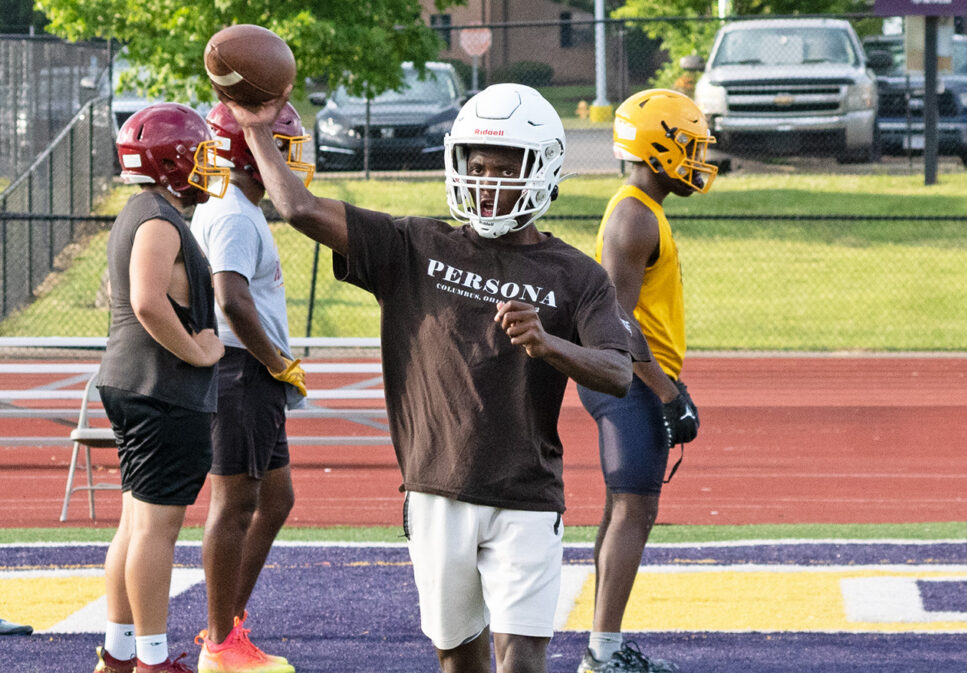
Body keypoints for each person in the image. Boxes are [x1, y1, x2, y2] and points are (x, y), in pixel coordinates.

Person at [218, 82, 647, 673]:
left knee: (523, 656)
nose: (488, 185)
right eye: (478, 167)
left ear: (542, 170)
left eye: (505, 169)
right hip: (435, 487)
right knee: (458, 657)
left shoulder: (577, 274)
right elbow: (300, 209)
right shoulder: (414, 244)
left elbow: (618, 371)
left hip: (526, 492)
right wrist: (255, 126)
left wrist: (549, 345)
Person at [576, 89, 714, 673]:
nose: (698, 157)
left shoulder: (643, 209)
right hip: (628, 378)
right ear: (656, 146)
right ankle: (603, 654)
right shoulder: (634, 213)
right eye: (688, 145)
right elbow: (618, 319)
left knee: (622, 509)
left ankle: (602, 647)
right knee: (635, 510)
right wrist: (667, 392)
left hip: (630, 376)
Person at [93, 102, 228, 673]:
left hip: (139, 384)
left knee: (135, 523)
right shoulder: (156, 218)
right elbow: (148, 300)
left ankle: (120, 655)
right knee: (154, 529)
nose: (205, 166)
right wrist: (197, 348)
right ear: (170, 160)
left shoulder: (144, 210)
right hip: (159, 389)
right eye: (197, 155)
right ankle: (151, 659)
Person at [189, 102, 312, 673]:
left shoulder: (239, 206)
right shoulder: (235, 213)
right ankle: (219, 643)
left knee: (276, 499)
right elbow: (231, 297)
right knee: (235, 503)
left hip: (251, 373)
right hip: (241, 372)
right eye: (283, 148)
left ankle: (228, 622)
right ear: (250, 151)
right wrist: (275, 359)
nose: (292, 161)